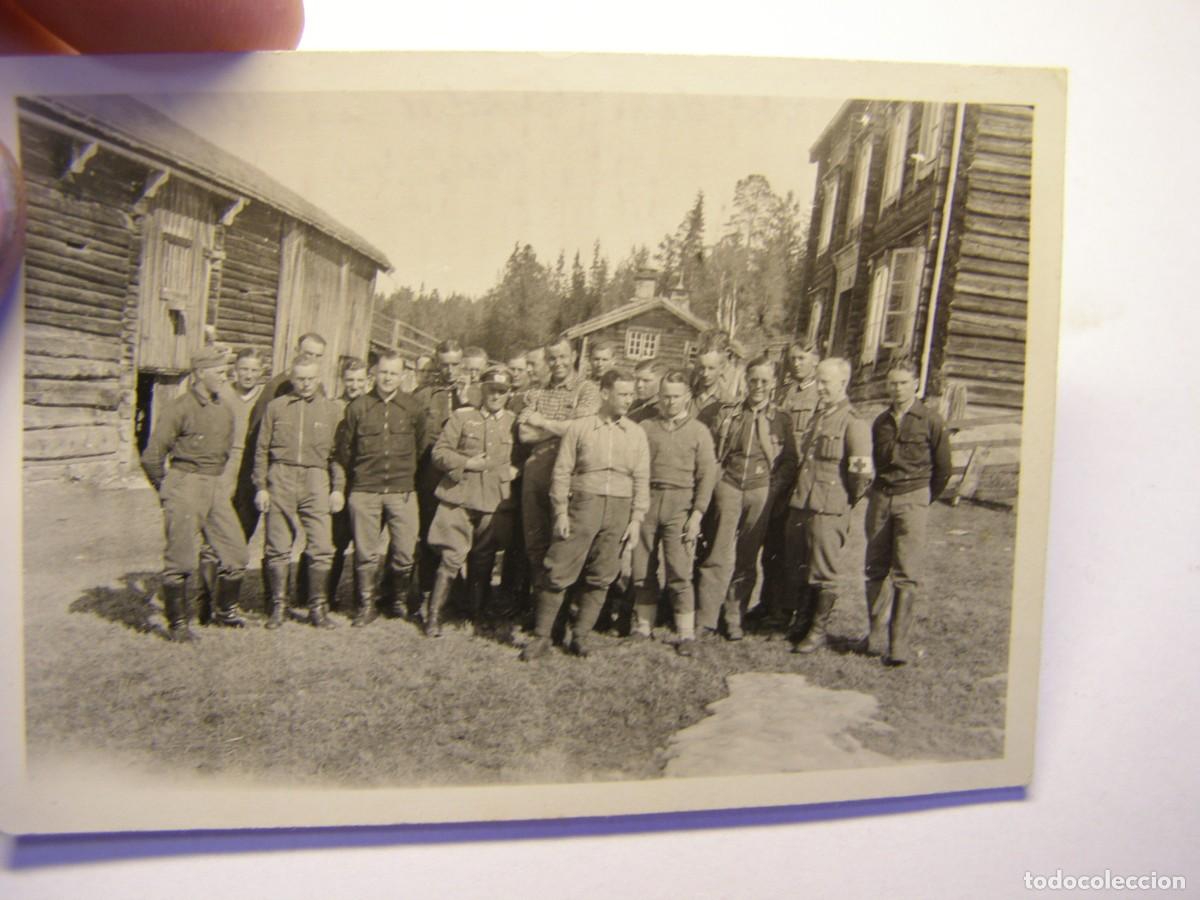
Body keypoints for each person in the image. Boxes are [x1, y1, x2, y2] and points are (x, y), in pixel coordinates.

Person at [520, 368, 650, 661]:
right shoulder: (580, 428)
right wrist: (561, 512)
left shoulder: (636, 434)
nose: (628, 400)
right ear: (605, 393)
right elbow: (562, 471)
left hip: (619, 510)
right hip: (582, 507)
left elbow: (642, 478)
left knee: (601, 576)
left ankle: (580, 637)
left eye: (631, 394)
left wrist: (636, 518)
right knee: (558, 570)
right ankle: (542, 638)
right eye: (623, 394)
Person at [140, 347, 249, 642]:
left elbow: (225, 452)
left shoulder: (224, 408)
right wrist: (167, 489)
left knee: (237, 553)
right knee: (182, 560)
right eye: (218, 371)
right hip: (184, 483)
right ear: (201, 373)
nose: (224, 375)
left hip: (215, 486)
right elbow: (152, 456)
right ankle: (177, 625)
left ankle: (226, 612)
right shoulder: (179, 408)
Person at [694, 356, 797, 641]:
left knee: (747, 558)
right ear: (746, 381)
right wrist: (715, 483)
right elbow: (711, 450)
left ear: (774, 383)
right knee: (717, 553)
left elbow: (789, 461)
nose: (759, 386)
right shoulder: (727, 413)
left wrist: (773, 489)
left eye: (765, 381)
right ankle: (706, 618)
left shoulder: (782, 419)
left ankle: (734, 616)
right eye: (754, 380)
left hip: (761, 490)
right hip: (728, 485)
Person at [863, 365, 952, 665]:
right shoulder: (880, 422)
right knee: (875, 568)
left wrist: (923, 498)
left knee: (905, 573)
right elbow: (875, 462)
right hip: (881, 498)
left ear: (915, 384)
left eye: (903, 383)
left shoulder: (931, 420)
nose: (897, 389)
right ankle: (875, 636)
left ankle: (897, 644)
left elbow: (943, 469)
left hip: (913, 498)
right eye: (892, 384)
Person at [784, 357, 874, 654]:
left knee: (823, 571)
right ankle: (800, 622)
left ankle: (817, 632)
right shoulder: (817, 417)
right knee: (800, 565)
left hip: (829, 507)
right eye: (818, 381)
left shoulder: (853, 422)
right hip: (803, 503)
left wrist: (843, 503)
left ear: (843, 383)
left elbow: (862, 474)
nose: (820, 387)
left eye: (826, 382)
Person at [253, 353, 345, 629]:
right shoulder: (276, 407)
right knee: (278, 546)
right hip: (281, 475)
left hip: (317, 479)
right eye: (300, 379)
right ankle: (279, 607)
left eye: (311, 379)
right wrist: (261, 487)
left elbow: (338, 455)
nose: (305, 384)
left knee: (322, 546)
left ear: (319, 379)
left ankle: (317, 608)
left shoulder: (332, 410)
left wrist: (338, 488)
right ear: (291, 378)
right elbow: (261, 450)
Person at [425, 367, 519, 636]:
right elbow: (439, 452)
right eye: (491, 389)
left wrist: (517, 469)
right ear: (481, 389)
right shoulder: (463, 416)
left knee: (483, 559)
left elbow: (525, 454)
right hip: (459, 497)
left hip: (493, 501)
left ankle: (475, 615)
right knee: (451, 557)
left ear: (509, 394)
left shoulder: (514, 421)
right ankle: (434, 616)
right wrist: (466, 463)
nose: (496, 395)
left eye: (502, 391)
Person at [334, 350, 426, 627]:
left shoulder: (413, 408)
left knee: (405, 552)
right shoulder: (358, 407)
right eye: (384, 372)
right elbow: (345, 451)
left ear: (403, 376)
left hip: (401, 491)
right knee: (365, 553)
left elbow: (419, 448)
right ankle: (366, 605)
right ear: (375, 373)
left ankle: (395, 599)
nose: (388, 378)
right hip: (365, 490)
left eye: (394, 373)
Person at [630, 369, 717, 656]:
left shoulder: (699, 431)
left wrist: (696, 515)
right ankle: (643, 627)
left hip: (680, 504)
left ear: (687, 397)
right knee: (642, 567)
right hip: (648, 500)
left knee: (679, 570)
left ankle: (686, 633)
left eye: (676, 397)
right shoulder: (645, 427)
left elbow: (706, 477)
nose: (670, 403)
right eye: (665, 397)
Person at [516, 335, 603, 609]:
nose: (558, 363)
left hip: (570, 474)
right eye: (552, 358)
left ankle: (563, 609)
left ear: (574, 356)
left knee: (565, 539)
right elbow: (524, 434)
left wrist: (542, 421)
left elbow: (581, 429)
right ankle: (539, 606)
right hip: (537, 471)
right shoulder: (536, 392)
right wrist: (561, 427)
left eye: (563, 356)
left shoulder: (587, 390)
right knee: (535, 540)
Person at [194, 347, 264, 623]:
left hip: (252, 472)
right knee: (212, 539)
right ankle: (203, 603)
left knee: (241, 537)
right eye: (244, 369)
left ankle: (228, 605)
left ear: (261, 373)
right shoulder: (221, 395)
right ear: (235, 370)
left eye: (254, 370)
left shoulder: (265, 398)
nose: (248, 375)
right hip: (223, 469)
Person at [755, 342, 821, 631]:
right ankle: (768, 603)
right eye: (793, 359)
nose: (796, 364)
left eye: (803, 359)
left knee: (796, 551)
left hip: (804, 482)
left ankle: (789, 610)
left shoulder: (821, 395)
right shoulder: (781, 393)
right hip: (778, 476)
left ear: (815, 362)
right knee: (772, 546)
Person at [414, 340, 472, 601]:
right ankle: (427, 588)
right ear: (437, 364)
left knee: (457, 532)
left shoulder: (475, 395)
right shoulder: (425, 395)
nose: (450, 370)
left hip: (462, 474)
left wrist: (466, 400)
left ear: (463, 364)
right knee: (428, 530)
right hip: (430, 473)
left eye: (455, 364)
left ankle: (456, 591)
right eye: (445, 364)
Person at [327, 356, 371, 610]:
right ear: (342, 381)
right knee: (335, 541)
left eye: (359, 380)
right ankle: (323, 594)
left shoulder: (371, 407)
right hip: (339, 479)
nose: (354, 385)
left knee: (364, 543)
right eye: (349, 380)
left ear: (368, 381)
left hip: (365, 482)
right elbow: (333, 452)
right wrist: (336, 487)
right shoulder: (334, 408)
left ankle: (360, 598)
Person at [690, 329, 745, 422]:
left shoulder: (728, 402)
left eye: (711, 368)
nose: (705, 374)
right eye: (701, 368)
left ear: (721, 369)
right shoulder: (686, 396)